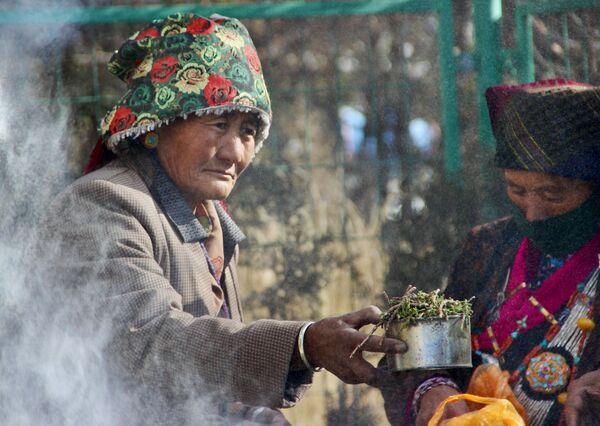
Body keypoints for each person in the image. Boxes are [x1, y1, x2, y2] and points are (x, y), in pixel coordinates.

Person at [24, 13, 407, 425]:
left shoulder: (209, 221)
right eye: (219, 123)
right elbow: (155, 344)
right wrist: (302, 344)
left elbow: (197, 383)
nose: (235, 153)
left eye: (247, 131)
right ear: (156, 126)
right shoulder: (101, 207)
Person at [378, 79, 600, 426]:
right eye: (517, 190)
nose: (532, 213)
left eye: (554, 195)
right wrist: (432, 388)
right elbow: (414, 354)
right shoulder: (488, 246)